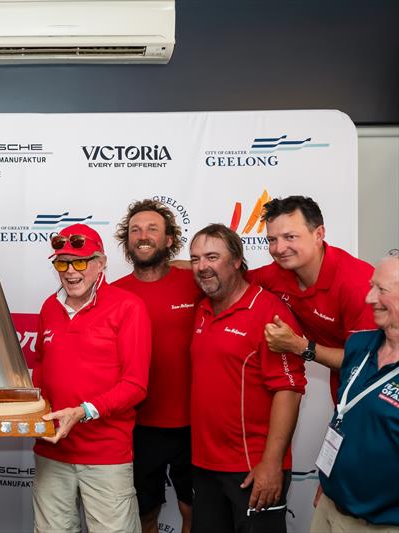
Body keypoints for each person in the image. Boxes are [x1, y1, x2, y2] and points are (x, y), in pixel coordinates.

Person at [32, 223, 151, 533]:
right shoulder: (49, 307)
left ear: (101, 263)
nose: (71, 271)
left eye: (80, 262)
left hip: (105, 455)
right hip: (52, 451)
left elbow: (135, 385)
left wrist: (83, 412)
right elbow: (41, 374)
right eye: (62, 262)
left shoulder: (128, 307)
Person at [189, 224, 306, 533]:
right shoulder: (202, 308)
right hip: (205, 467)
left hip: (253, 469)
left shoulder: (269, 312)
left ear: (238, 260)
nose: (202, 267)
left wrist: (271, 464)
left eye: (212, 256)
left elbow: (289, 390)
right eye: (195, 258)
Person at [112, 200, 201, 533]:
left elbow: (232, 272)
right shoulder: (113, 293)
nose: (142, 236)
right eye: (135, 230)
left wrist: (189, 264)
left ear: (168, 240)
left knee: (192, 510)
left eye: (152, 229)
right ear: (127, 241)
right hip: (138, 425)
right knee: (144, 513)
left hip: (193, 425)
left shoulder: (195, 283)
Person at [249, 196, 375, 397]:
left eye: (290, 237)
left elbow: (367, 361)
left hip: (378, 388)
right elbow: (233, 280)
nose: (279, 249)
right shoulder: (278, 272)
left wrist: (299, 346)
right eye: (272, 240)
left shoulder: (357, 285)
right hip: (343, 382)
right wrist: (190, 267)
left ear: (319, 234)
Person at [310, 254, 399, 532]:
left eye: (381, 290)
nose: (369, 298)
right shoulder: (359, 345)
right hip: (329, 506)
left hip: (380, 525)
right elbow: (344, 415)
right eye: (371, 286)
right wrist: (328, 478)